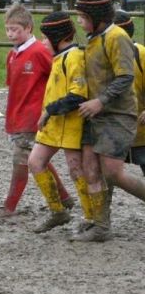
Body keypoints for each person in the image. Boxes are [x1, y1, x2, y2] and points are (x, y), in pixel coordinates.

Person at [75, 0, 145, 242]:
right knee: (90, 169)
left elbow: (125, 77)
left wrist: (100, 101)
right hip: (94, 115)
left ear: (97, 17)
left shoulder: (117, 37)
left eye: (83, 16)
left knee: (113, 172)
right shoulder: (94, 38)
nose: (79, 21)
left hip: (117, 115)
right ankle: (101, 226)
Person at [0, 4, 74, 217]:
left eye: (15, 30)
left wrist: (49, 108)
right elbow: (13, 87)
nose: (10, 34)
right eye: (8, 29)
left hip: (33, 117)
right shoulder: (12, 55)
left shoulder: (39, 51)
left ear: (29, 28)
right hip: (17, 116)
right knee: (35, 158)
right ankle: (64, 197)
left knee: (22, 160)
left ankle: (9, 206)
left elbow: (59, 75)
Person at [27, 12, 89, 234]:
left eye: (45, 37)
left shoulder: (74, 58)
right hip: (53, 125)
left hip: (70, 124)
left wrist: (49, 111)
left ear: (57, 37)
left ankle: (91, 217)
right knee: (35, 161)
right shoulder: (59, 57)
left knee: (76, 170)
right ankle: (58, 211)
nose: (42, 42)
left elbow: (78, 94)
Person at [114, 11, 145, 177]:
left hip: (141, 130)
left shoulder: (141, 54)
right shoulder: (103, 56)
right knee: (106, 172)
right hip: (114, 128)